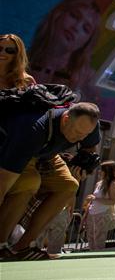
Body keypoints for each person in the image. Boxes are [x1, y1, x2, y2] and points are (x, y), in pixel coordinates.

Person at [0, 102, 100, 260]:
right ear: (66, 118)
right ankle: (1, 244)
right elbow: (3, 183)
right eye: (76, 132)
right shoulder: (34, 128)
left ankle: (24, 246)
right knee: (30, 182)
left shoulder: (87, 124)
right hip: (20, 148)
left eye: (84, 135)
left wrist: (84, 164)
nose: (78, 138)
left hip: (47, 155)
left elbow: (90, 147)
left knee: (69, 186)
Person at [27, 0, 101, 96]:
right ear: (58, 15)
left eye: (85, 28)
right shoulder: (21, 59)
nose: (76, 27)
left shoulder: (88, 81)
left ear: (87, 42)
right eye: (74, 16)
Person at [84, 161, 115, 250]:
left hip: (103, 214)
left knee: (99, 240)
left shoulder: (113, 183)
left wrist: (95, 199)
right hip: (92, 213)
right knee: (90, 238)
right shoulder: (99, 183)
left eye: (101, 170)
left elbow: (112, 201)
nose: (99, 172)